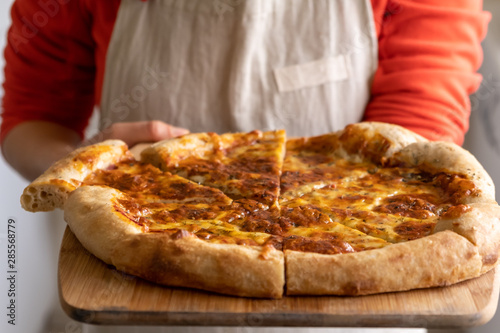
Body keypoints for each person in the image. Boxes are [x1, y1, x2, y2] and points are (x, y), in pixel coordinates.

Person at [0, 0, 491, 333]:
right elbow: (30, 119)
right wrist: (90, 164)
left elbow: (419, 131)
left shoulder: (436, 203)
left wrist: (339, 209)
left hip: (354, 313)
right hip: (134, 300)